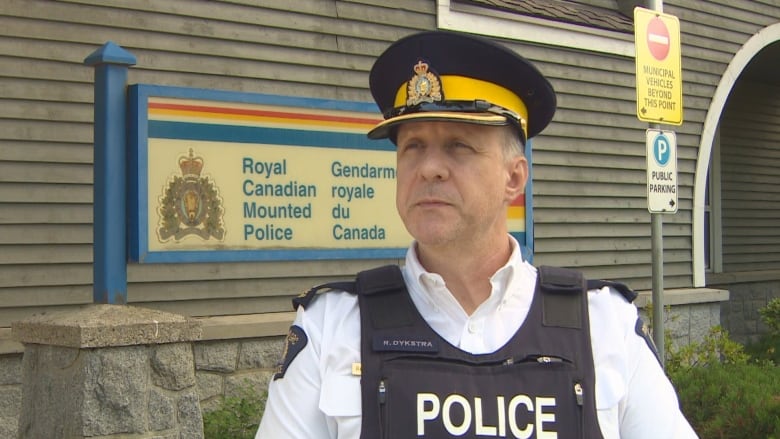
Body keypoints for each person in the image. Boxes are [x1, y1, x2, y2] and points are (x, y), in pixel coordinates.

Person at [256, 30, 698, 439]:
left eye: (458, 146)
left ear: (514, 178)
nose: (429, 168)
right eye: (413, 146)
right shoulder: (332, 327)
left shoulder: (603, 326)